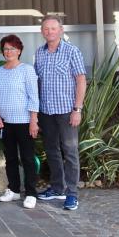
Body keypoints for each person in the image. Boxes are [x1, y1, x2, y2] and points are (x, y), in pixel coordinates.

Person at [34, 16, 87, 211]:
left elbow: (81, 80)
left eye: (53, 28)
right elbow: (37, 83)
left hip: (67, 111)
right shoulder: (39, 53)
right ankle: (58, 188)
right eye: (46, 29)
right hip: (46, 111)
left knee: (70, 152)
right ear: (42, 31)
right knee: (52, 150)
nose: (49, 32)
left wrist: (77, 109)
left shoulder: (72, 51)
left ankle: (72, 194)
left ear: (61, 30)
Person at [0, 34, 40, 209]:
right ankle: (13, 189)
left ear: (19, 51)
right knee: (10, 158)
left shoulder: (26, 70)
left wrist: (34, 120)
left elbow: (34, 97)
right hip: (5, 123)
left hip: (25, 122)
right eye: (5, 49)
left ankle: (31, 193)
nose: (8, 52)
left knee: (27, 158)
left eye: (12, 48)